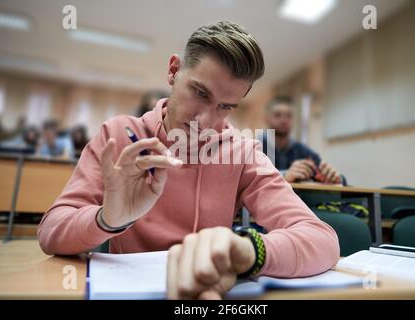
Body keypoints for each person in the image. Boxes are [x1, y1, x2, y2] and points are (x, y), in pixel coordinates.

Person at [38, 21, 339, 300]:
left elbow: (322, 241)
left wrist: (250, 251)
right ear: (173, 71)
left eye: (225, 106)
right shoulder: (120, 135)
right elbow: (51, 232)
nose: (205, 120)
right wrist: (107, 219)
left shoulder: (243, 153)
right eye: (199, 92)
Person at [263, 96, 345, 185]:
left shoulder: (302, 151)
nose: (284, 120)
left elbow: (324, 174)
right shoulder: (253, 148)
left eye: (289, 116)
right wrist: (284, 176)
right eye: (277, 115)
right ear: (266, 119)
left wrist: (336, 178)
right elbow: (247, 182)